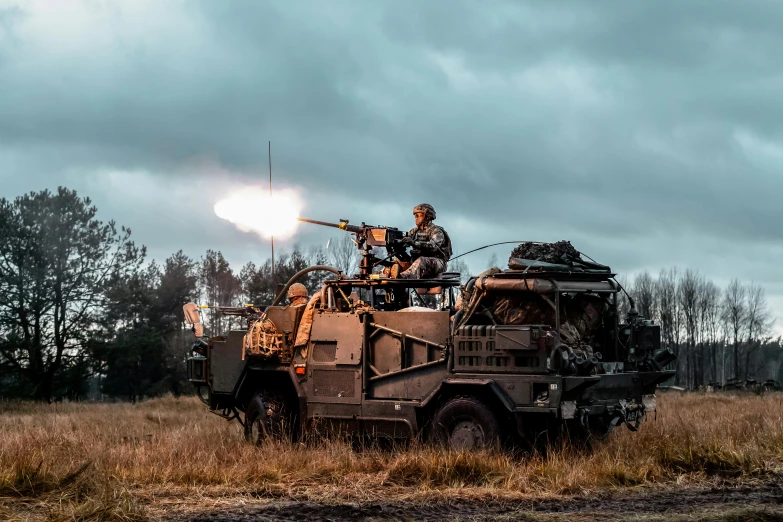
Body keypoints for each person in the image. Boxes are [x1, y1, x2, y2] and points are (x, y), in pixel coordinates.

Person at [397, 203, 452, 279]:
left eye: (418, 215)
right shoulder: (414, 231)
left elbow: (434, 246)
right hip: (418, 262)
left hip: (438, 263)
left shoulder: (436, 231)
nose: (415, 218)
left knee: (422, 260)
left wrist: (413, 242)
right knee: (398, 261)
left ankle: (403, 277)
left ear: (427, 217)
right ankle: (389, 275)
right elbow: (404, 240)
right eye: (415, 216)